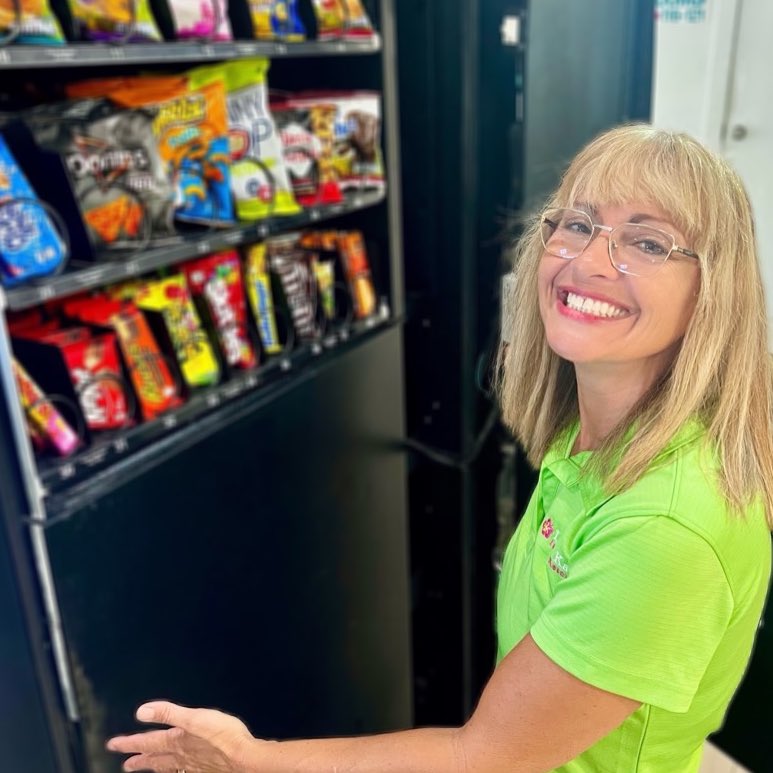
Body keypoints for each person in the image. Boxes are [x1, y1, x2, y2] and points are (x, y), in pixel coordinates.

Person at [108, 124, 772, 772]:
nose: (590, 260)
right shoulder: (595, 431)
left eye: (648, 243)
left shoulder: (662, 528)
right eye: (576, 224)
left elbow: (484, 756)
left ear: (712, 291)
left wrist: (249, 760)